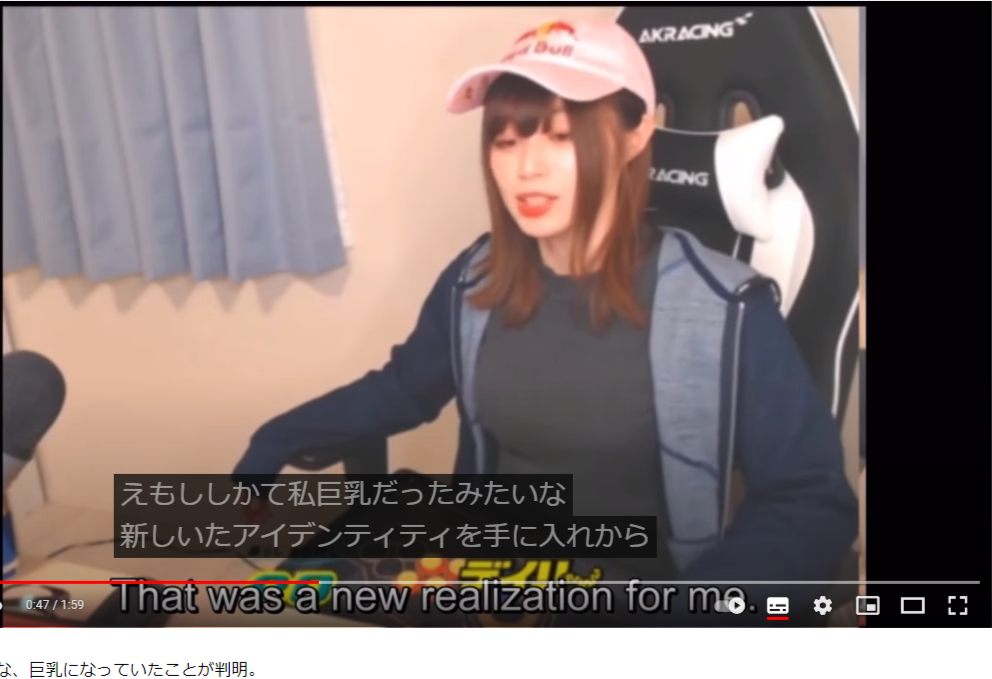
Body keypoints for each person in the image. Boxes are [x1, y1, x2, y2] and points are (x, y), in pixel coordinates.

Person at [234, 19, 857, 625]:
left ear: (636, 134)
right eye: (506, 141)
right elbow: (404, 388)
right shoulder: (476, 277)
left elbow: (809, 500)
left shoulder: (725, 306)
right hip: (485, 578)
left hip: (627, 601)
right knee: (276, 585)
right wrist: (276, 439)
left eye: (560, 137)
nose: (526, 168)